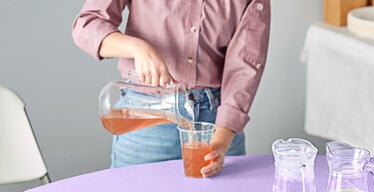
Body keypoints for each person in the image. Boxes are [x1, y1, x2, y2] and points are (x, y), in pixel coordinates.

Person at [72, 0, 271, 177]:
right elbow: (87, 25)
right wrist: (138, 48)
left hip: (217, 123)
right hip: (146, 120)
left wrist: (221, 141)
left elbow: (244, 66)